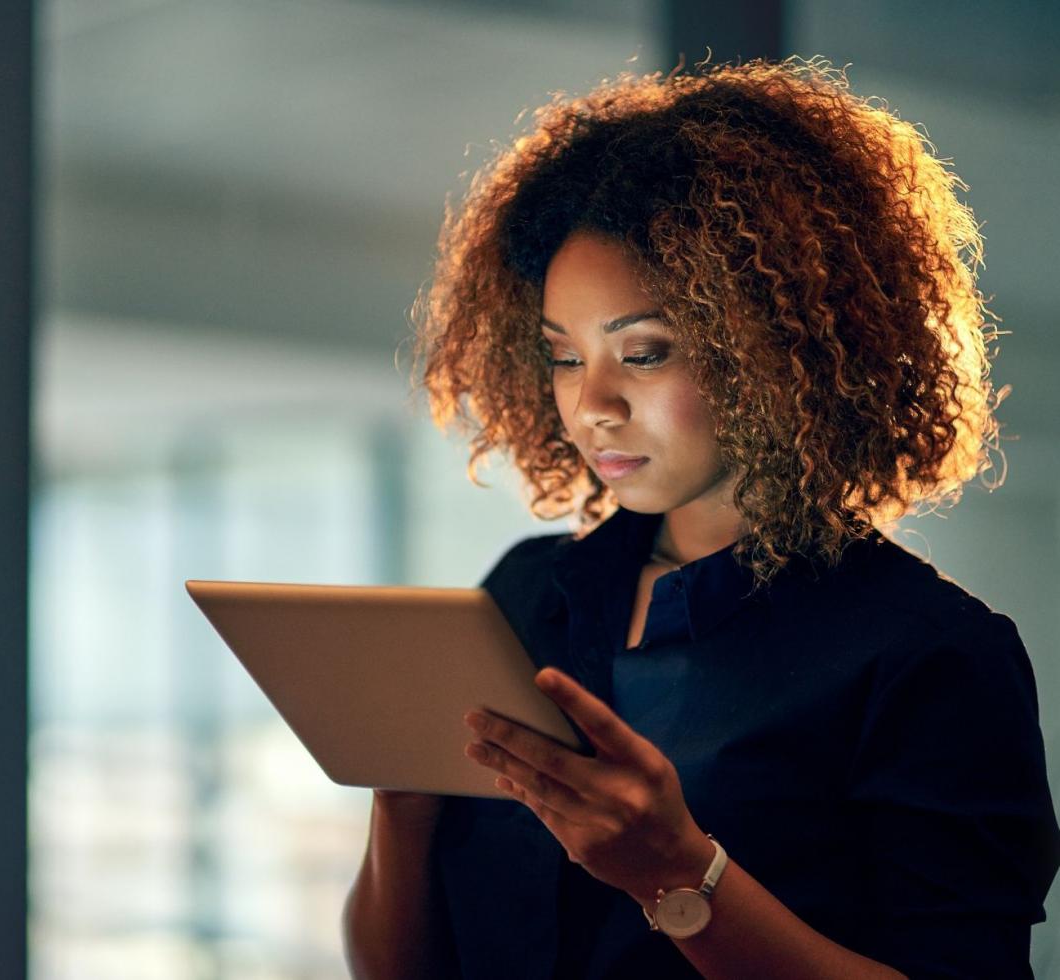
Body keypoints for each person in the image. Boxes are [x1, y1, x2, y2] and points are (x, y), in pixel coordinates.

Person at [341, 56, 1060, 979]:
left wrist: (679, 874)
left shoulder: (925, 655)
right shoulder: (526, 595)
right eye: (563, 356)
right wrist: (399, 802)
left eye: (641, 353)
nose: (591, 403)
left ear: (777, 348)